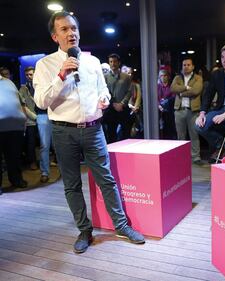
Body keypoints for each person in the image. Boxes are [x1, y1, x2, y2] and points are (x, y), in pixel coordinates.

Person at [33, 11, 145, 254]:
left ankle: (122, 226)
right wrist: (61, 75)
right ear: (55, 36)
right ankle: (85, 230)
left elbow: (103, 90)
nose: (70, 33)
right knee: (72, 185)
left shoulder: (93, 62)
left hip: (94, 130)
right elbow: (41, 101)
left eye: (73, 28)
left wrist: (104, 99)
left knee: (106, 179)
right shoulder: (45, 65)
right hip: (63, 131)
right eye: (64, 29)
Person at [170, 58, 204, 164]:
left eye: (188, 65)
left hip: (193, 110)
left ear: (193, 66)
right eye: (184, 65)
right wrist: (186, 87)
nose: (186, 67)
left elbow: (196, 90)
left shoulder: (198, 78)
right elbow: (173, 88)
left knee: (194, 134)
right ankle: (182, 156)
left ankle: (196, 157)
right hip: (179, 110)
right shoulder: (177, 77)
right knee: (181, 136)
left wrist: (181, 92)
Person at [0, 73, 28, 195]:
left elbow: (20, 103)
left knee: (14, 157)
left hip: (15, 127)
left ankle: (17, 180)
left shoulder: (9, 82)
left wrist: (24, 119)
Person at [102, 53, 133, 143]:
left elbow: (129, 91)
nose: (113, 64)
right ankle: (113, 156)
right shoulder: (105, 77)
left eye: (115, 61)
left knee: (125, 134)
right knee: (111, 134)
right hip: (111, 108)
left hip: (123, 108)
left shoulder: (126, 77)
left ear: (119, 63)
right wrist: (113, 104)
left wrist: (122, 103)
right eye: (111, 62)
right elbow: (105, 92)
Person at [19, 66, 38, 171]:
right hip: (31, 119)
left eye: (31, 74)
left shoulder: (40, 85)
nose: (29, 76)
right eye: (27, 75)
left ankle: (53, 160)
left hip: (43, 116)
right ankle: (32, 162)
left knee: (46, 142)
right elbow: (23, 106)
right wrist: (35, 117)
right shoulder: (23, 88)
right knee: (31, 143)